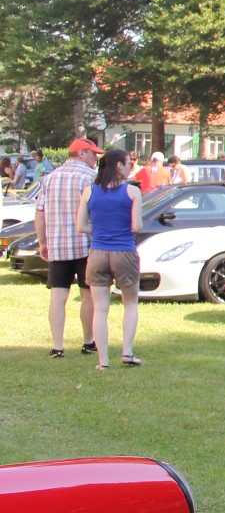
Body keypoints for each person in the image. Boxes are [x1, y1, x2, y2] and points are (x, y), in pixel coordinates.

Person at [76, 148, 143, 370]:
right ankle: (127, 352)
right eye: (127, 164)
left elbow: (81, 226)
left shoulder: (89, 191)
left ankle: (103, 361)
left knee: (100, 308)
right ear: (118, 166)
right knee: (130, 302)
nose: (129, 167)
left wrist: (100, 228)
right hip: (124, 251)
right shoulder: (132, 192)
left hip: (97, 252)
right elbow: (137, 226)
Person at [37, 137, 99, 359]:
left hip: (57, 244)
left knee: (58, 296)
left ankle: (57, 346)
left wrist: (42, 241)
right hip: (86, 245)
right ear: (81, 153)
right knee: (87, 295)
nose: (96, 158)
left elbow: (40, 213)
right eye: (93, 154)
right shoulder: (91, 178)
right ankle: (88, 341)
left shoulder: (49, 179)